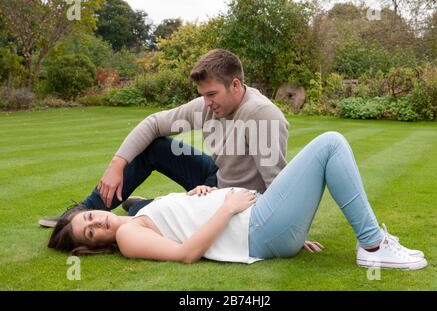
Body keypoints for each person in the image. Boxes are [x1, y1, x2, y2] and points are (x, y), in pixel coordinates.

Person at [48, 132, 427, 270]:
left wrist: (202, 195)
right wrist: (227, 207)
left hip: (262, 221)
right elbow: (186, 253)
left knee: (328, 149)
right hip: (254, 227)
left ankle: (371, 242)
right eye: (92, 232)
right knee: (329, 145)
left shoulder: (136, 215)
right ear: (94, 246)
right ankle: (374, 245)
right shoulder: (129, 239)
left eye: (92, 217)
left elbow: (180, 222)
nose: (99, 224)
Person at [39, 49, 289, 227]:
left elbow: (277, 183)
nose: (206, 103)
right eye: (203, 95)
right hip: (216, 175)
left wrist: (287, 231)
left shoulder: (261, 115)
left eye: (212, 94)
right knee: (154, 146)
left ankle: (143, 206)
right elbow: (155, 123)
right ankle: (86, 210)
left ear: (235, 85)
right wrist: (117, 163)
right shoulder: (207, 105)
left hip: (233, 197)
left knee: (166, 215)